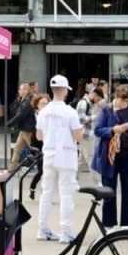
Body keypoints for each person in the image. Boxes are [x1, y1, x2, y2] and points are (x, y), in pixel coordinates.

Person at [35, 75, 84, 243]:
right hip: (66, 155)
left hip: (48, 153)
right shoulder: (70, 112)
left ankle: (43, 229)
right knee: (66, 194)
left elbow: (39, 136)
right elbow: (78, 136)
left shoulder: (43, 111)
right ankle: (66, 231)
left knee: (46, 192)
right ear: (64, 91)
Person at [92, 82, 128, 228]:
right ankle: (109, 224)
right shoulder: (107, 109)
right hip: (110, 156)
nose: (126, 103)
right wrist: (114, 129)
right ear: (116, 97)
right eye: (123, 100)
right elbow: (98, 130)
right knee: (109, 191)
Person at [27, 94, 51, 199]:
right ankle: (33, 188)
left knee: (47, 172)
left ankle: (44, 194)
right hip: (37, 146)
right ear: (37, 104)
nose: (45, 105)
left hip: (48, 146)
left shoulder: (50, 116)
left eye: (47, 103)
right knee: (42, 171)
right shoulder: (33, 115)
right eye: (42, 103)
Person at [7, 82, 35, 170]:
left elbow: (21, 115)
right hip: (23, 128)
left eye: (23, 89)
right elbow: (13, 109)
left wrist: (9, 123)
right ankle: (12, 167)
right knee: (17, 149)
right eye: (20, 89)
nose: (21, 91)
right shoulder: (22, 100)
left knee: (35, 149)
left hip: (28, 129)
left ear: (27, 90)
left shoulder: (27, 101)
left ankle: (41, 165)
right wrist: (18, 100)